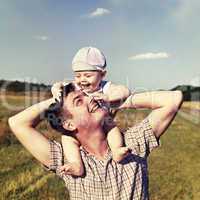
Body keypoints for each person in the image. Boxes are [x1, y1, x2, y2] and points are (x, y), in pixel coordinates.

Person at [8, 82, 183, 200]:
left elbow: (173, 99)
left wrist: (115, 102)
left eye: (86, 95)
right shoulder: (67, 160)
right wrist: (56, 100)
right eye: (79, 101)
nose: (90, 99)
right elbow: (17, 123)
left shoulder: (131, 143)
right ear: (68, 124)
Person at [52, 47, 131, 176]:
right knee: (67, 138)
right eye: (78, 75)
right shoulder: (76, 87)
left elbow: (125, 91)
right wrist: (56, 89)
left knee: (111, 128)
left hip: (104, 123)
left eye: (88, 75)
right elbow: (58, 85)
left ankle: (116, 150)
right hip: (82, 128)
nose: (82, 79)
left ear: (102, 74)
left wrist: (109, 97)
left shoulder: (105, 87)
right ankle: (76, 164)